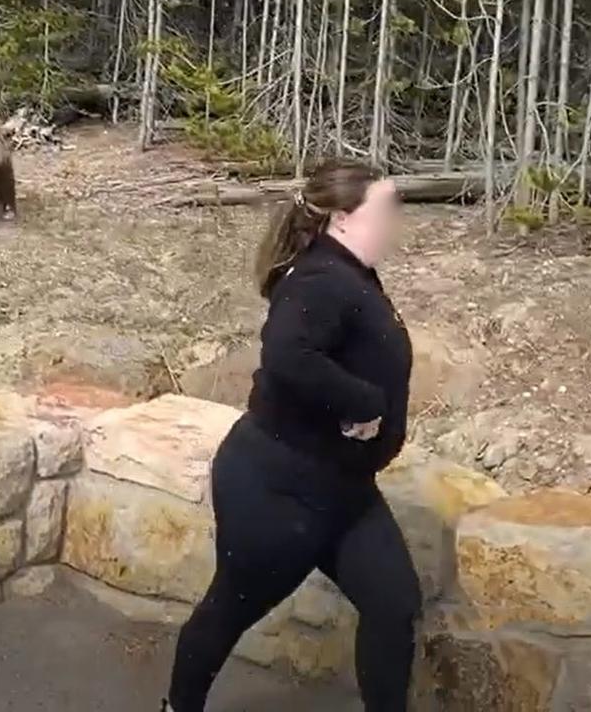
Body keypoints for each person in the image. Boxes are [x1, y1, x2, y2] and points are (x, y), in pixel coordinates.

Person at [162, 159, 419, 712]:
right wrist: (365, 402)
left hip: (344, 490)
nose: (395, 221)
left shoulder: (350, 271)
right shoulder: (322, 279)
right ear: (344, 218)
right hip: (277, 486)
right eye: (385, 209)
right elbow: (286, 355)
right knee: (232, 605)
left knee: (393, 603)